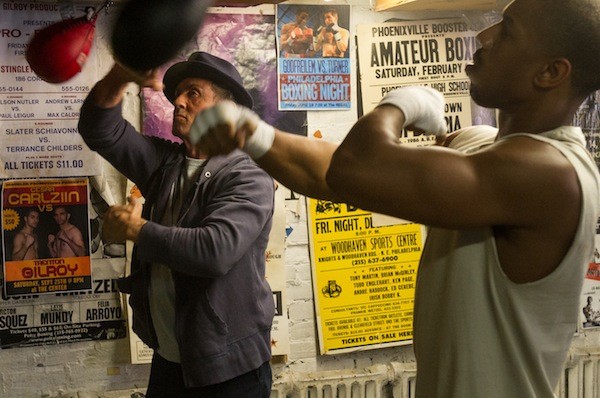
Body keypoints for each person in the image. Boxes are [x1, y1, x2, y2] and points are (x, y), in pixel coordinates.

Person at [189, 0, 600, 396]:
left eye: (508, 31)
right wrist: (253, 133)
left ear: (550, 72)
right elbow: (335, 174)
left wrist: (401, 103)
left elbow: (355, 169)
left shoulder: (550, 173)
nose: (485, 35)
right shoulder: (482, 146)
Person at [77, 51, 275, 397]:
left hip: (229, 372)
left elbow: (215, 251)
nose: (177, 102)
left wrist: (135, 230)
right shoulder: (164, 163)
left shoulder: (248, 174)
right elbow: (99, 130)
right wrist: (119, 75)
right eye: (177, 94)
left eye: (192, 93)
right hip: (170, 359)